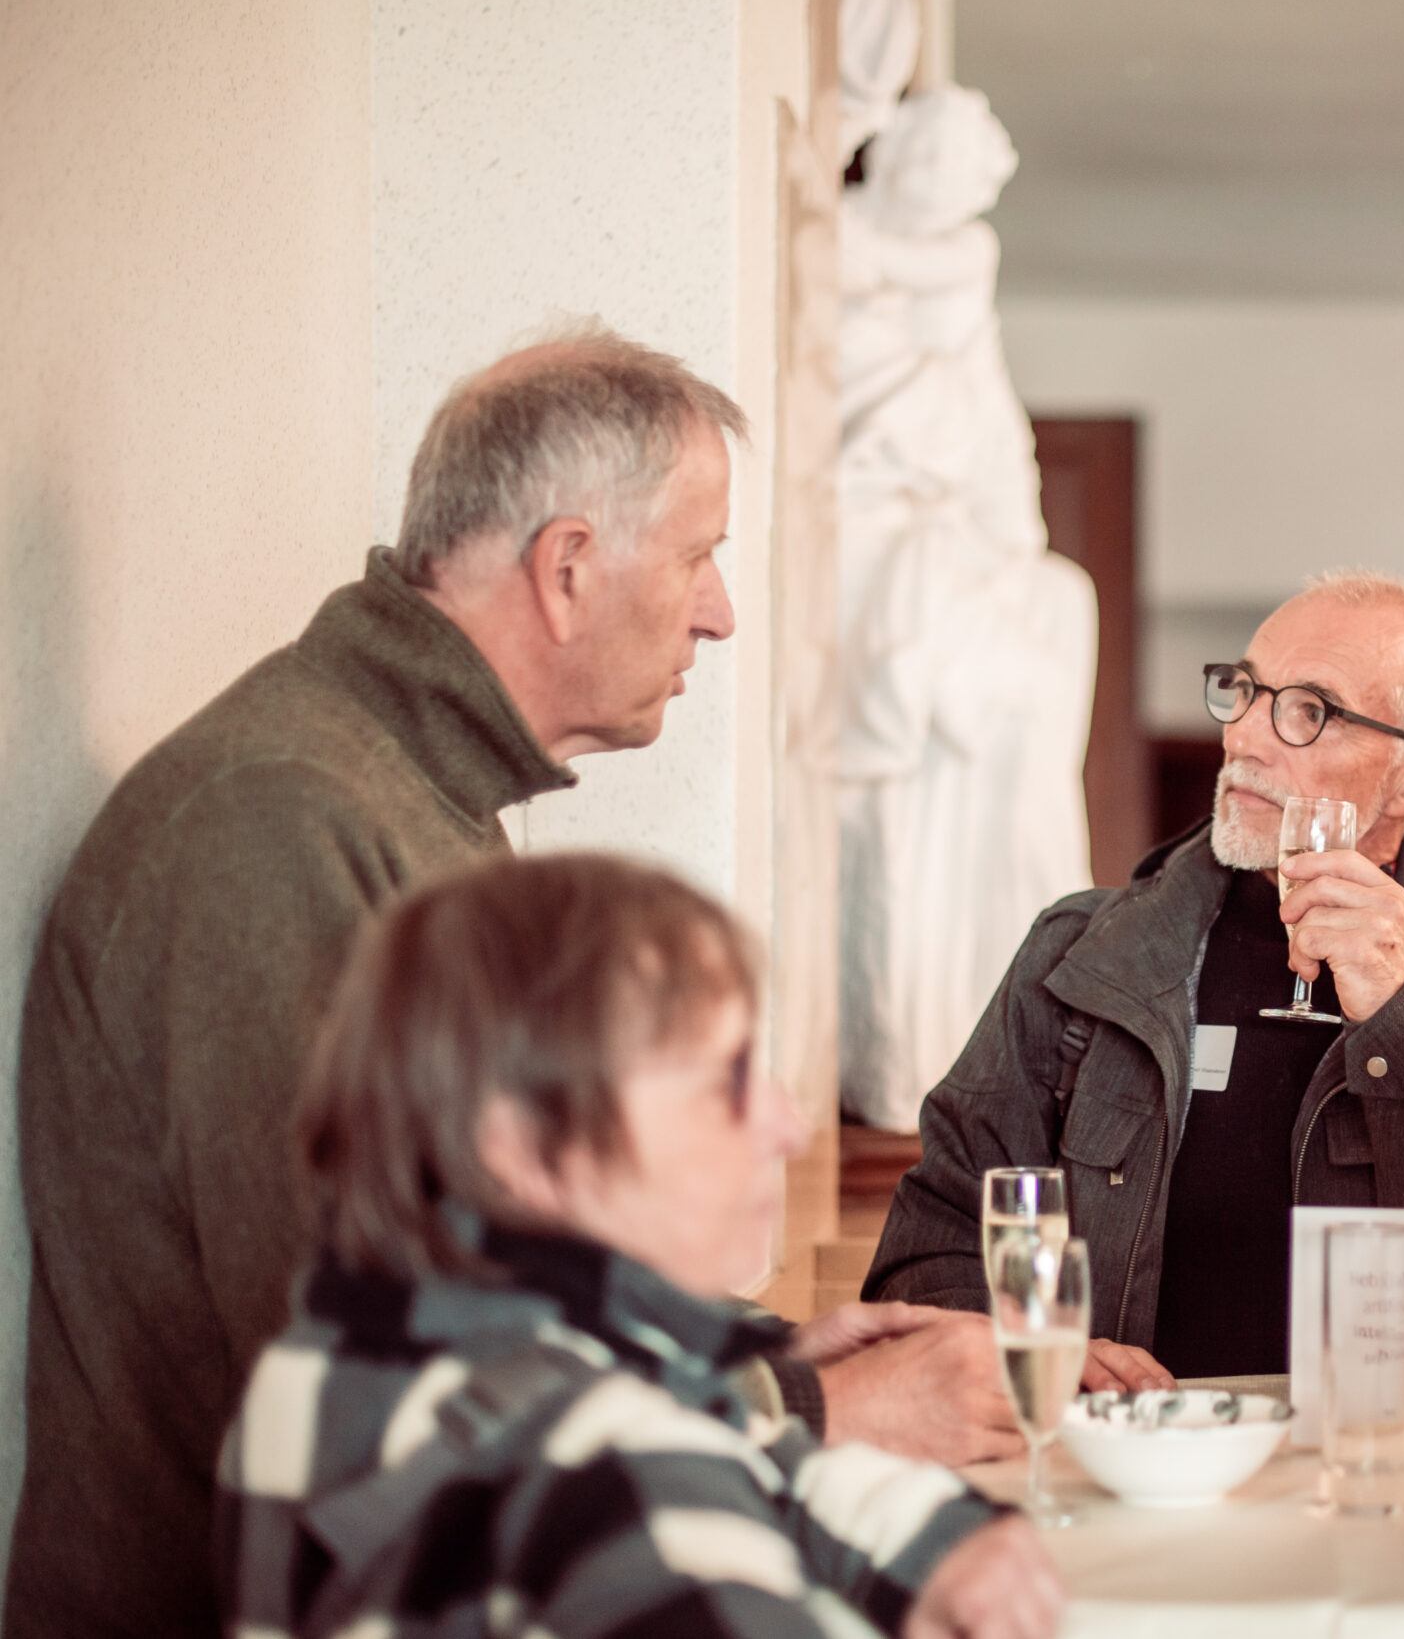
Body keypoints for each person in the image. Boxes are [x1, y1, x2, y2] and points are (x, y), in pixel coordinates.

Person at [11, 330, 1014, 1639]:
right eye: (704, 553)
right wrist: (812, 1413)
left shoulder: (403, 791)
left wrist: (735, 1351)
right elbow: (373, 1353)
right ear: (569, 567)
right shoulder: (284, 819)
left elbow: (496, 1260)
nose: (721, 608)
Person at [219, 852, 1062, 1639]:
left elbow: (735, 1443)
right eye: (724, 1079)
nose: (787, 1124)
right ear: (525, 1148)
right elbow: (665, 1460)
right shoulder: (613, 1467)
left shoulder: (327, 1369)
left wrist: (941, 1538)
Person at [864, 570, 1404, 1380]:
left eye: (1309, 711)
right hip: (1128, 1479)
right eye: (1247, 691)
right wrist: (1041, 1358)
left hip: (1384, 1487)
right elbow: (933, 1251)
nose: (1246, 738)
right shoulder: (1076, 955)